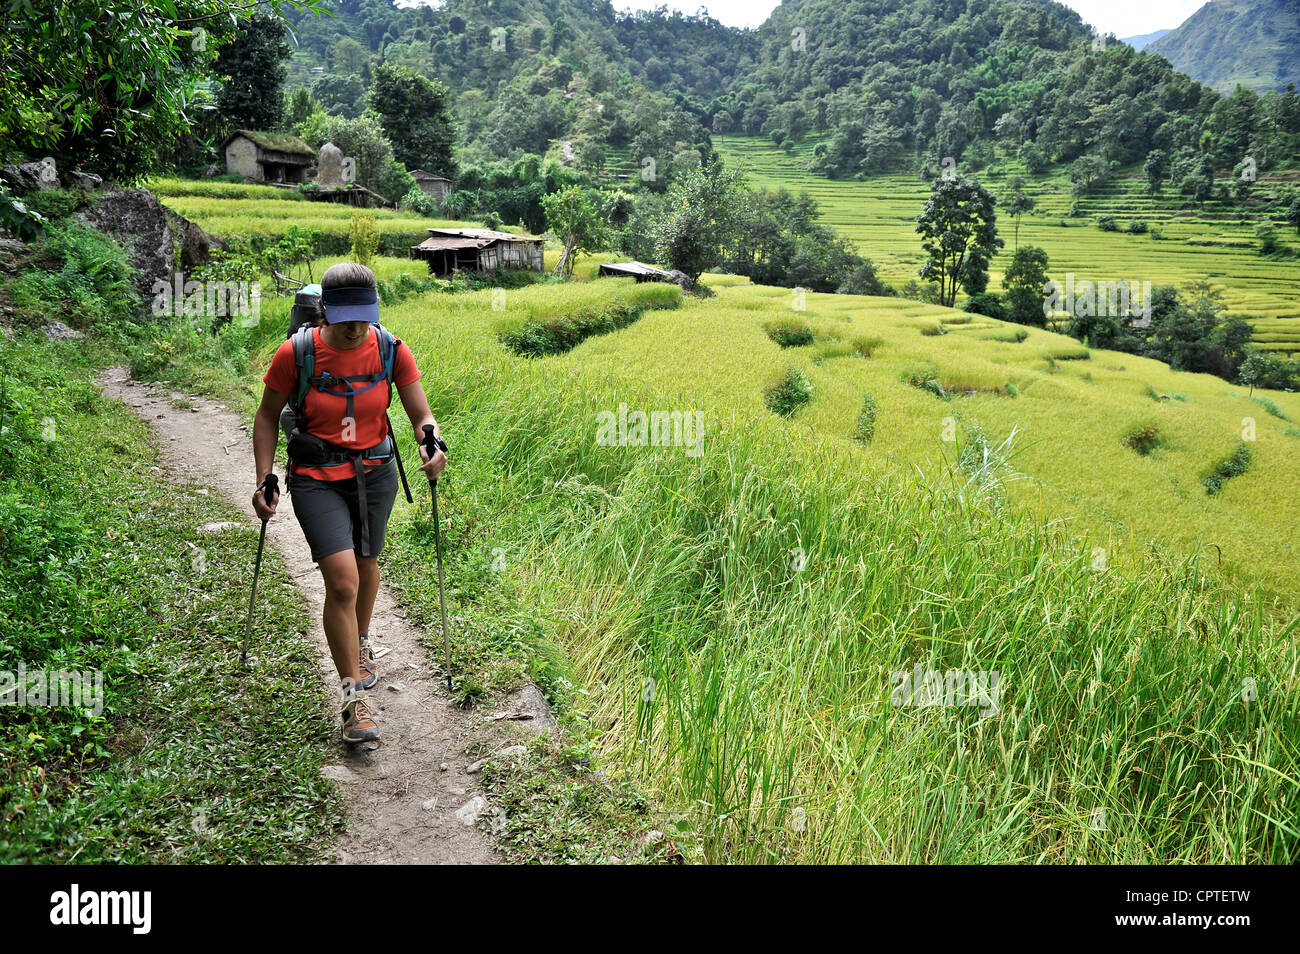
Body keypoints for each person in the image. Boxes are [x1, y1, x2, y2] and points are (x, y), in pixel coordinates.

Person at [251, 262, 446, 743]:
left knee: (367, 562)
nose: (356, 326)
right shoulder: (295, 354)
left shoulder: (389, 348)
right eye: (346, 317)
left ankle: (359, 641)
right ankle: (351, 699)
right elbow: (267, 416)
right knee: (342, 580)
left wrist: (431, 441)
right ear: (325, 311)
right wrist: (264, 478)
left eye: (365, 315)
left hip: (376, 473)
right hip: (317, 476)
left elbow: (421, 412)